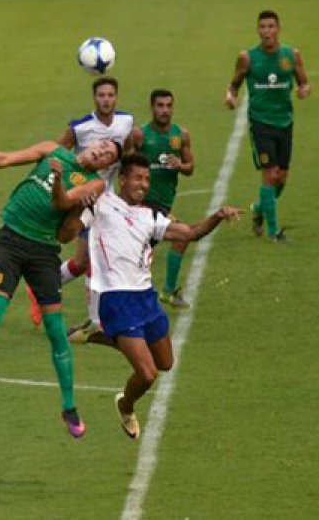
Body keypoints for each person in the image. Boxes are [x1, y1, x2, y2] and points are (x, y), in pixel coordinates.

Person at [0, 139, 121, 439]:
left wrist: (57, 178)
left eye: (108, 155)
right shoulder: (52, 150)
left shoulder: (94, 185)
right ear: (92, 143)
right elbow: (6, 156)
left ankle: (69, 407)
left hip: (43, 252)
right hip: (10, 242)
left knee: (56, 333)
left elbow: (62, 204)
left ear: (105, 166)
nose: (102, 151)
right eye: (102, 145)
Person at [65, 154, 239, 439]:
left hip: (146, 298)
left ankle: (98, 334)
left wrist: (218, 216)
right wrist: (76, 210)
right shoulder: (101, 203)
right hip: (116, 298)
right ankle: (125, 405)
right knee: (147, 374)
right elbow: (68, 230)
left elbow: (191, 233)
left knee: (165, 363)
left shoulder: (149, 216)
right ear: (123, 179)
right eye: (138, 178)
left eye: (147, 179)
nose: (143, 184)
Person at [27, 76, 133, 327]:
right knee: (94, 259)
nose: (106, 100)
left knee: (86, 261)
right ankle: (95, 322)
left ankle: (41, 289)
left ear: (116, 97)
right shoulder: (80, 128)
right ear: (94, 98)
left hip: (108, 203)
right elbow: (56, 154)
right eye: (101, 95)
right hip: (84, 202)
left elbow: (127, 155)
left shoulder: (126, 122)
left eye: (110, 95)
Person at [226, 9, 310, 243]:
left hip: (285, 122)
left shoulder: (291, 55)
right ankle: (274, 233)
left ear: (278, 29)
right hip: (261, 123)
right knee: (270, 175)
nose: (266, 32)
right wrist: (230, 96)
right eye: (262, 27)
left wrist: (304, 89)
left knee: (281, 179)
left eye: (271, 27)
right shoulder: (248, 57)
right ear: (258, 30)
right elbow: (234, 84)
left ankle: (259, 209)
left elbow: (304, 82)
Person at [132, 89, 195, 308]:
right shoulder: (140, 135)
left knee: (138, 256)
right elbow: (126, 166)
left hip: (163, 204)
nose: (165, 110)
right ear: (152, 108)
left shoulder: (181, 135)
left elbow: (190, 168)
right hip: (144, 206)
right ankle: (162, 293)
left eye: (169, 106)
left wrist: (180, 165)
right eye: (160, 106)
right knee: (182, 236)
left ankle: (165, 292)